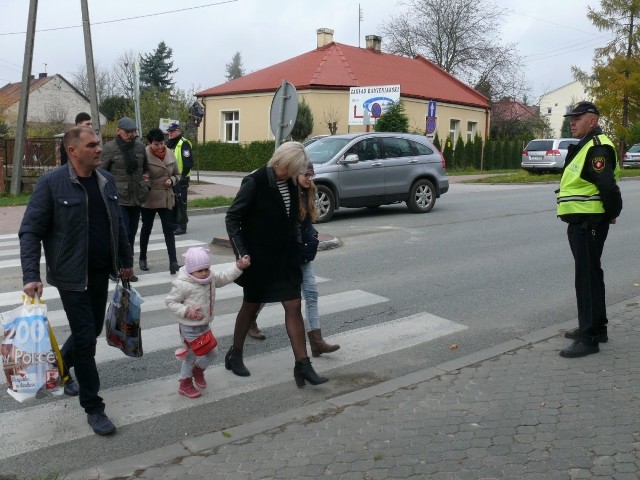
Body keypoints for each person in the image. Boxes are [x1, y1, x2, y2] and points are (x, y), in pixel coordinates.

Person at [19, 126, 134, 435]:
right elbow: (30, 230)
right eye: (93, 145)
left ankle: (59, 367)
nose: (100, 149)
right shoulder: (51, 184)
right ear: (73, 151)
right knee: (85, 339)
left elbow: (119, 225)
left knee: (92, 330)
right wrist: (31, 275)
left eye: (99, 144)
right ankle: (93, 407)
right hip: (70, 277)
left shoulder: (105, 181)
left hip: (99, 273)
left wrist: (125, 261)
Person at [225, 141, 328, 387]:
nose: (293, 174)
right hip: (258, 259)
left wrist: (300, 242)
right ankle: (235, 354)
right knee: (250, 306)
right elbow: (233, 217)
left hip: (286, 257)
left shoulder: (291, 182)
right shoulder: (256, 182)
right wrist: (241, 252)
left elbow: (293, 217)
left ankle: (303, 365)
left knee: (293, 304)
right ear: (280, 162)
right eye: (291, 168)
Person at [249, 161, 340, 357]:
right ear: (295, 175)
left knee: (311, 292)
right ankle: (250, 319)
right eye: (306, 175)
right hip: (284, 252)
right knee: (267, 289)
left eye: (311, 174)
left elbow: (307, 222)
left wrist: (312, 237)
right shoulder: (286, 193)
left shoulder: (310, 192)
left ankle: (316, 341)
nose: (310, 178)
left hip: (302, 252)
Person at [556, 101, 622, 358]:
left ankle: (590, 337)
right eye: (571, 118)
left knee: (587, 278)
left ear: (592, 121)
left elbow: (607, 186)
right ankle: (597, 327)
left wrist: (612, 212)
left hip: (589, 223)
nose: (572, 121)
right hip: (583, 222)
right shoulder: (587, 145)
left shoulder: (597, 148)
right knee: (590, 274)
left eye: (578, 117)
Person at [165, 247, 250, 398]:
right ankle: (184, 384)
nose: (204, 273)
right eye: (200, 270)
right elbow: (170, 301)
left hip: (204, 325)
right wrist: (187, 311)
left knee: (212, 352)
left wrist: (238, 266)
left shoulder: (210, 278)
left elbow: (224, 277)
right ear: (191, 270)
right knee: (191, 356)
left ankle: (198, 370)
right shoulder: (182, 284)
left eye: (206, 268)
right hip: (189, 328)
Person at [101, 117, 150, 282]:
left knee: (130, 235)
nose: (131, 134)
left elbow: (146, 170)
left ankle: (127, 269)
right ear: (118, 131)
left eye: (133, 131)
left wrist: (146, 185)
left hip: (136, 198)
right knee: (120, 234)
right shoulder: (109, 148)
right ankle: (116, 268)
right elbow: (100, 174)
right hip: (118, 199)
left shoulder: (140, 147)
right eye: (128, 132)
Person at [138, 128, 181, 275]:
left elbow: (178, 174)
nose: (160, 146)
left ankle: (173, 262)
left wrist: (172, 180)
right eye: (157, 144)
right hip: (149, 197)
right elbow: (140, 176)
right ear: (150, 143)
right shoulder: (143, 155)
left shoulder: (169, 152)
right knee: (147, 228)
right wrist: (147, 182)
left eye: (162, 143)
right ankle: (142, 257)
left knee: (169, 230)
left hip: (166, 196)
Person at [166, 122, 193, 235]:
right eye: (169, 131)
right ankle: (173, 224)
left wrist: (181, 177)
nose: (170, 133)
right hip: (171, 179)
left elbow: (188, 163)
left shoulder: (184, 143)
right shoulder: (168, 144)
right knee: (172, 203)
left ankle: (181, 226)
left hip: (181, 179)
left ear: (178, 131)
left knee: (181, 203)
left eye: (172, 131)